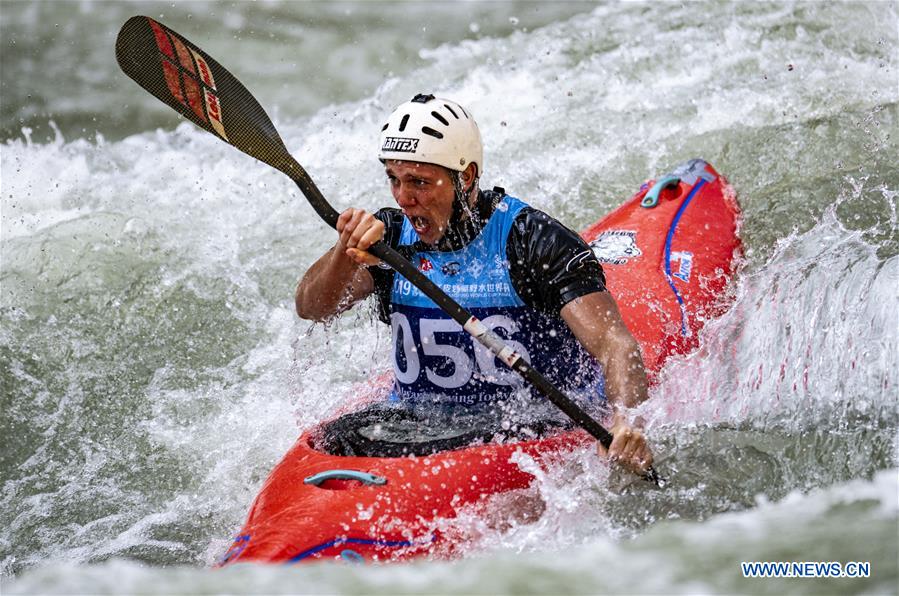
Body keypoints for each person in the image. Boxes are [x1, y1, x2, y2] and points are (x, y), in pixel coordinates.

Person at [295, 93, 653, 475]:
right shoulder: (389, 238)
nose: (404, 198)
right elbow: (311, 307)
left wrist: (627, 421)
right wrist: (342, 250)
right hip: (417, 422)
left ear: (464, 177)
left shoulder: (530, 240)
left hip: (530, 426)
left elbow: (614, 343)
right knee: (339, 436)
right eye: (394, 180)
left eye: (419, 181)